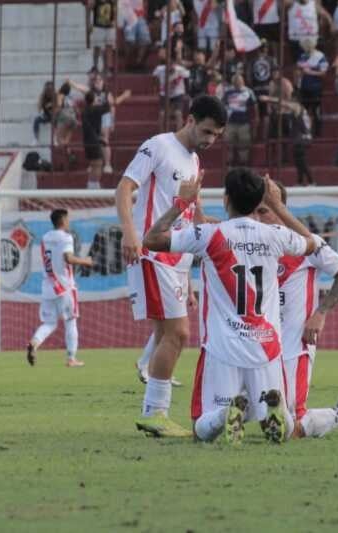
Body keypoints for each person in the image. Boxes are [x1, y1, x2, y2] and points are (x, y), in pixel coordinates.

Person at [142, 169, 317, 444]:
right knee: (285, 430)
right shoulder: (276, 235)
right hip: (266, 347)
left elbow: (151, 239)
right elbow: (311, 244)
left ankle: (224, 414)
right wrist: (279, 207)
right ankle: (276, 414)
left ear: (226, 200)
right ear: (260, 201)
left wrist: (181, 204)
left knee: (201, 428)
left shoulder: (209, 235)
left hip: (223, 347)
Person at [117, 96, 227, 438]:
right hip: (152, 251)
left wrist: (234, 228)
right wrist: (130, 233)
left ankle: (154, 412)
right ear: (190, 120)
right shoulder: (158, 146)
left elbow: (193, 217)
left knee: (166, 334)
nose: (211, 140)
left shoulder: (194, 161)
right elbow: (124, 188)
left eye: (216, 135)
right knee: (178, 333)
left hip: (176, 259)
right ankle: (155, 413)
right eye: (207, 131)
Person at [254, 183, 338, 439]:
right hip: (260, 346)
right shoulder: (252, 244)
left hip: (294, 346)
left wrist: (321, 313)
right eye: (254, 212)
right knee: (268, 423)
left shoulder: (307, 245)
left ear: (281, 209)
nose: (258, 218)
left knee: (289, 429)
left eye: (264, 211)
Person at [26, 209, 94, 368]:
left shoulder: (45, 238)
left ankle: (34, 342)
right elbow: (68, 258)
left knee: (50, 323)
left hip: (48, 286)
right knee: (71, 321)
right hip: (65, 286)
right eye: (68, 218)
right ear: (63, 220)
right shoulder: (66, 237)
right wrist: (86, 261)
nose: (69, 221)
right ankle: (71, 358)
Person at [260, 87, 316, 185]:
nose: (289, 99)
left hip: (301, 138)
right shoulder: (301, 109)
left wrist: (268, 98)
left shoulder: (297, 106)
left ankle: (311, 181)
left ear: (295, 98)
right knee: (298, 161)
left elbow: (282, 103)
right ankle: (300, 182)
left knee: (301, 161)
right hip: (299, 138)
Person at [296, 38, 329, 137]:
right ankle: (304, 131)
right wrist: (299, 75)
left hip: (315, 88)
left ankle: (318, 133)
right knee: (303, 112)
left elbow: (323, 73)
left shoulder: (320, 56)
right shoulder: (303, 56)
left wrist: (310, 72)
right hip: (304, 87)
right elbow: (298, 69)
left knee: (316, 111)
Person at [223, 74, 258, 166]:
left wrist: (256, 118)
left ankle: (244, 164)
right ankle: (230, 165)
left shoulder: (249, 92)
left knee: (244, 145)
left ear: (243, 81)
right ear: (233, 82)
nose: (237, 83)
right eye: (235, 82)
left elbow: (255, 105)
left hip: (244, 123)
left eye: (239, 81)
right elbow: (223, 106)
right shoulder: (228, 92)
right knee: (229, 145)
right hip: (230, 123)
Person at [153, 51, 191, 130]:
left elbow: (187, 79)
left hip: (178, 94)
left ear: (174, 65)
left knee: (178, 113)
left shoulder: (180, 70)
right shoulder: (159, 69)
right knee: (162, 114)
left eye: (172, 65)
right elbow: (154, 77)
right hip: (164, 94)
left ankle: (178, 133)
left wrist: (187, 92)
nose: (170, 67)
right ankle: (161, 133)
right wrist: (156, 88)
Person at [248, 40, 278, 140]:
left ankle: (255, 137)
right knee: (266, 115)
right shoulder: (271, 60)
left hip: (255, 90)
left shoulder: (252, 61)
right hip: (267, 90)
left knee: (256, 115)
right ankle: (264, 138)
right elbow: (275, 76)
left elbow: (249, 78)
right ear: (266, 49)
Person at [119, 0, 151, 72]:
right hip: (129, 16)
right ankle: (128, 64)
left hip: (140, 16)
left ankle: (138, 63)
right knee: (130, 41)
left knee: (146, 41)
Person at [88, 0, 116, 74]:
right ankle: (95, 66)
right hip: (98, 26)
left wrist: (114, 21)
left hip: (110, 26)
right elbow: (89, 8)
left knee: (109, 47)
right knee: (96, 47)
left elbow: (115, 9)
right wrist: (89, 23)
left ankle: (109, 67)